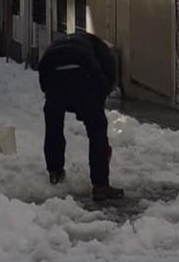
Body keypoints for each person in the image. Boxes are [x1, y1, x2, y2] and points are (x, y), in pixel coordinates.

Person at [38, 32, 123, 201]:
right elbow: (107, 78)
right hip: (83, 76)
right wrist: (97, 102)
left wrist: (54, 97)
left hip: (53, 75)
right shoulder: (102, 51)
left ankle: (55, 172)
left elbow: (44, 79)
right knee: (97, 128)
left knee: (53, 125)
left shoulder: (60, 43)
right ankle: (100, 186)